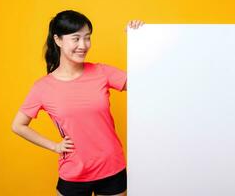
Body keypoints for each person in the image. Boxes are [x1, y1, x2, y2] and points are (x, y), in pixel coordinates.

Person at [11, 10, 144, 196]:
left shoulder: (102, 72)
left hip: (112, 169)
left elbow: (147, 84)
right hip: (73, 174)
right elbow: (18, 125)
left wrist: (140, 41)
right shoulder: (43, 87)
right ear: (58, 40)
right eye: (76, 38)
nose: (83, 45)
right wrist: (54, 146)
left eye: (87, 38)